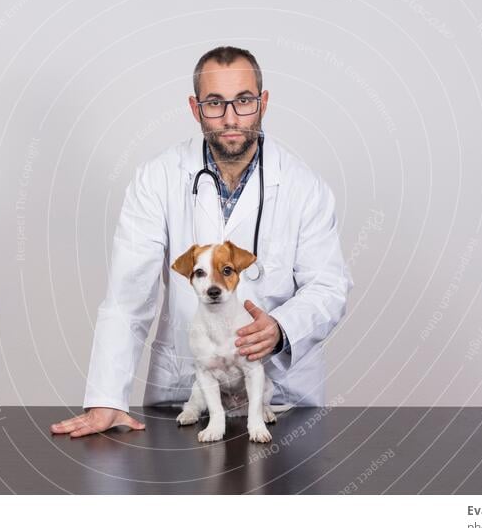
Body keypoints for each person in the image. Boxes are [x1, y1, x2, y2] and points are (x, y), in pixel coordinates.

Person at [51, 46, 353, 437]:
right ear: (196, 109)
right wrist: (107, 399)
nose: (230, 117)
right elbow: (128, 296)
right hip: (185, 393)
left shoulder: (304, 187)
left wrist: (280, 328)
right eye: (215, 103)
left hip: (282, 400)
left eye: (243, 101)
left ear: (262, 103)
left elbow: (328, 286)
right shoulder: (156, 179)